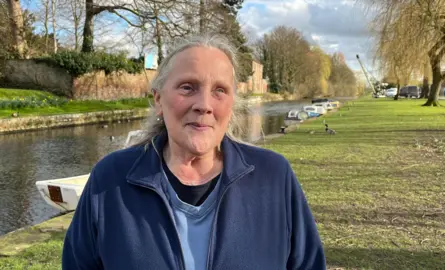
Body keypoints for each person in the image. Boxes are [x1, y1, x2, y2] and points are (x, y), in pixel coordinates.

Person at [62, 33, 326, 270]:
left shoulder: (274, 177)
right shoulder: (110, 180)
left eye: (219, 90)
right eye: (188, 87)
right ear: (158, 99)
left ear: (232, 103)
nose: (204, 105)